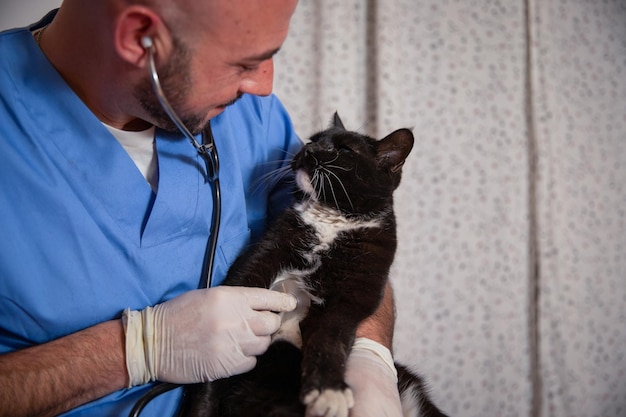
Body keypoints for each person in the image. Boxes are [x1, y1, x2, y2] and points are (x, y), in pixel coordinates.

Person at [0, 0, 403, 416]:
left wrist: (371, 358)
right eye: (244, 64)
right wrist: (133, 350)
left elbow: (352, 241)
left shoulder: (249, 114)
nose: (264, 86)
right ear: (139, 37)